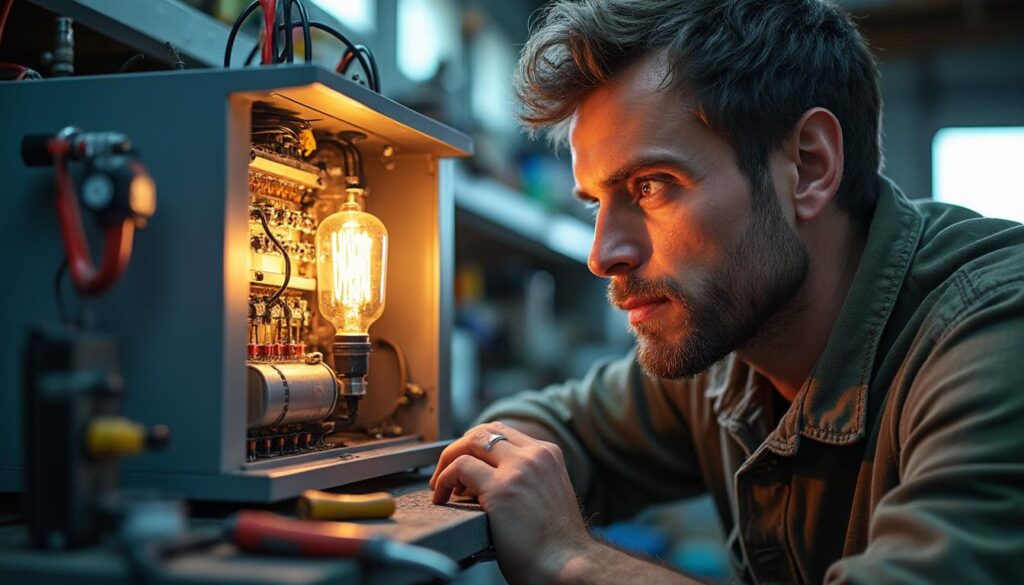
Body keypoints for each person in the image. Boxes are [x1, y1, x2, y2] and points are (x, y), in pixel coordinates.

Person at [430, 0, 1024, 583]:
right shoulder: (730, 346)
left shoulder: (993, 333)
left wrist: (570, 557)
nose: (602, 255)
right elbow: (547, 425)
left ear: (810, 167)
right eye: (595, 204)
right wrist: (502, 456)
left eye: (651, 186)